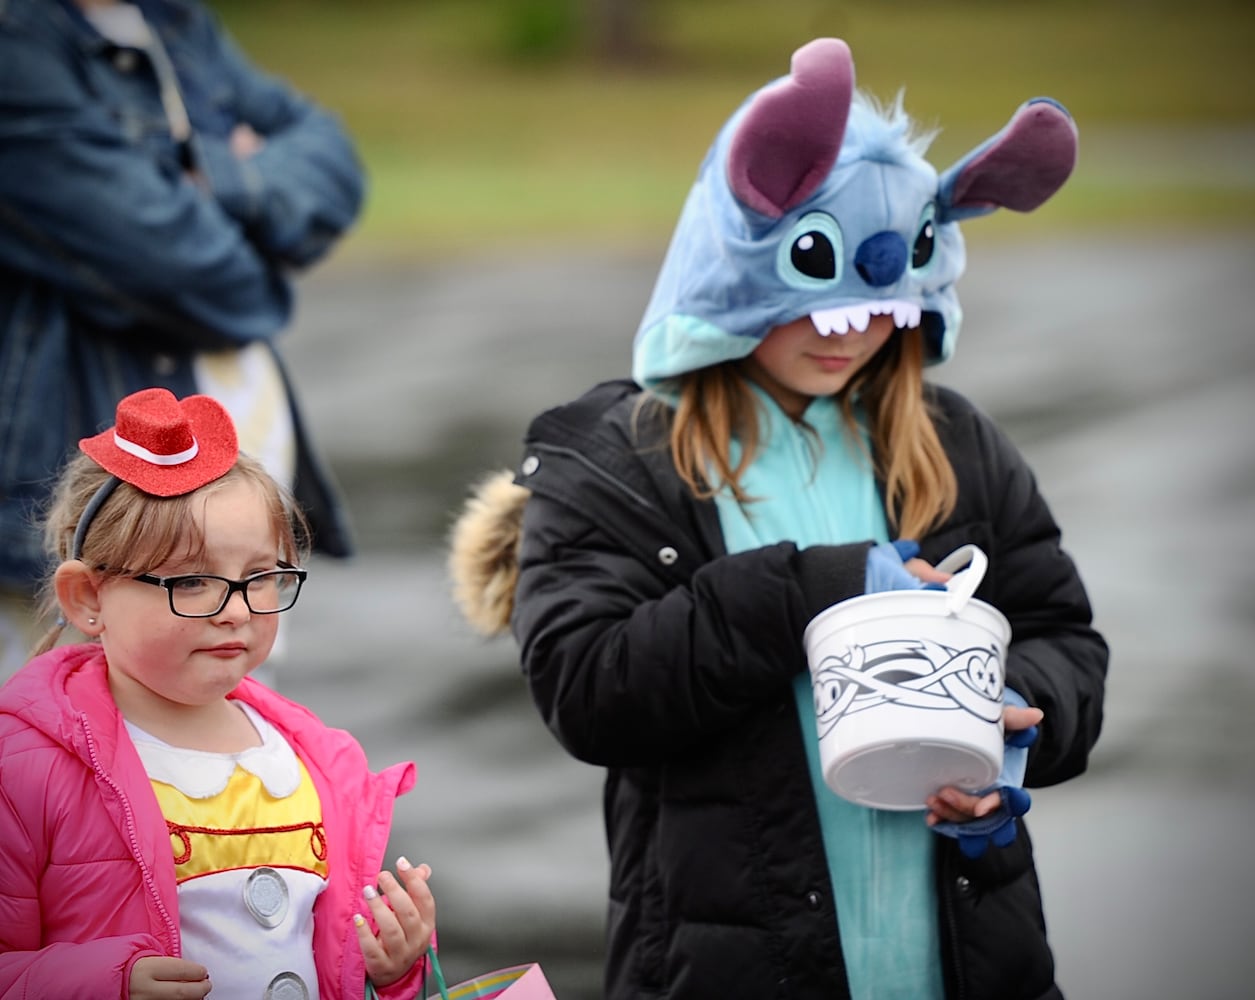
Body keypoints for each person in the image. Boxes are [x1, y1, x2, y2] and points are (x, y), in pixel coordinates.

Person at [448, 37, 1108, 1000]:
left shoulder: (956, 444)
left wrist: (1015, 725)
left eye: (878, 307)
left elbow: (1063, 639)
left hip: (968, 959)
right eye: (816, 303)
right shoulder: (619, 459)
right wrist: (817, 592)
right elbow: (587, 689)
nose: (851, 333)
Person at [0, 388, 436, 999]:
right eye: (194, 581)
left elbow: (333, 964)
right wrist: (106, 985)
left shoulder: (314, 760)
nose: (235, 610)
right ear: (89, 599)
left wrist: (392, 969)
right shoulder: (23, 767)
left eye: (260, 577)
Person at [0, 0, 361, 678]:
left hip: (233, 553)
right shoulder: (16, 41)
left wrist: (199, 179)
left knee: (231, 761)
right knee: (78, 763)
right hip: (98, 552)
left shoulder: (175, 21)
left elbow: (333, 158)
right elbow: (180, 268)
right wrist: (243, 177)